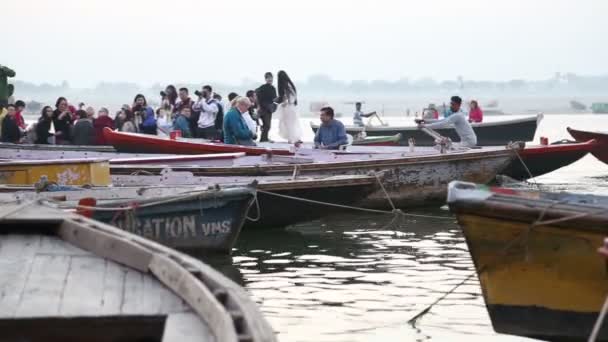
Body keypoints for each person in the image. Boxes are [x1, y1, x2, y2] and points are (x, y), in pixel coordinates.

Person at [275, 70, 303, 144]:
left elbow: (285, 98)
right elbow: (293, 96)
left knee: (288, 124)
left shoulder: (283, 86)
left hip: (287, 107)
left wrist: (284, 102)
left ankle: (291, 139)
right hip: (293, 107)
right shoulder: (291, 85)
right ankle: (296, 138)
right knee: (294, 123)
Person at [255, 72, 277, 142]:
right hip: (263, 108)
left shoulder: (273, 88)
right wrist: (259, 106)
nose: (270, 79)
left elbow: (274, 98)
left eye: (271, 78)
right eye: (268, 78)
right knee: (266, 125)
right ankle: (263, 139)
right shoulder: (262, 88)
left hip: (269, 108)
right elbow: (259, 98)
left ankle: (264, 138)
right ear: (265, 79)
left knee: (266, 125)